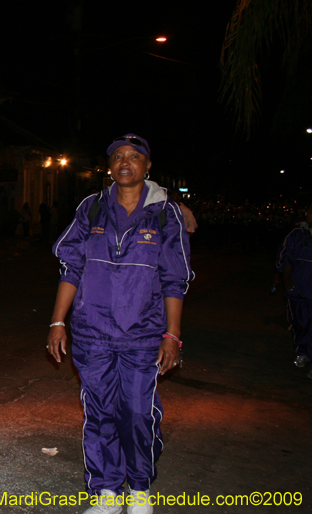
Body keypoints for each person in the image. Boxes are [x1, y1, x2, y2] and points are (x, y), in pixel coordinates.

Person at [47, 134, 193, 514]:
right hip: (92, 332)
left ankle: (140, 488)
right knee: (99, 413)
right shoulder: (92, 209)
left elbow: (174, 278)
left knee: (136, 412)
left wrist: (172, 335)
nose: (124, 162)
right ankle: (107, 492)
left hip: (142, 335)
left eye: (134, 156)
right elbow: (72, 266)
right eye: (117, 157)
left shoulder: (165, 214)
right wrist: (57, 322)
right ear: (109, 166)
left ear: (147, 166)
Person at [276, 204, 312, 379]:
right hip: (298, 289)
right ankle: (302, 350)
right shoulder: (297, 235)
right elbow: (286, 257)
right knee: (300, 323)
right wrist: (286, 278)